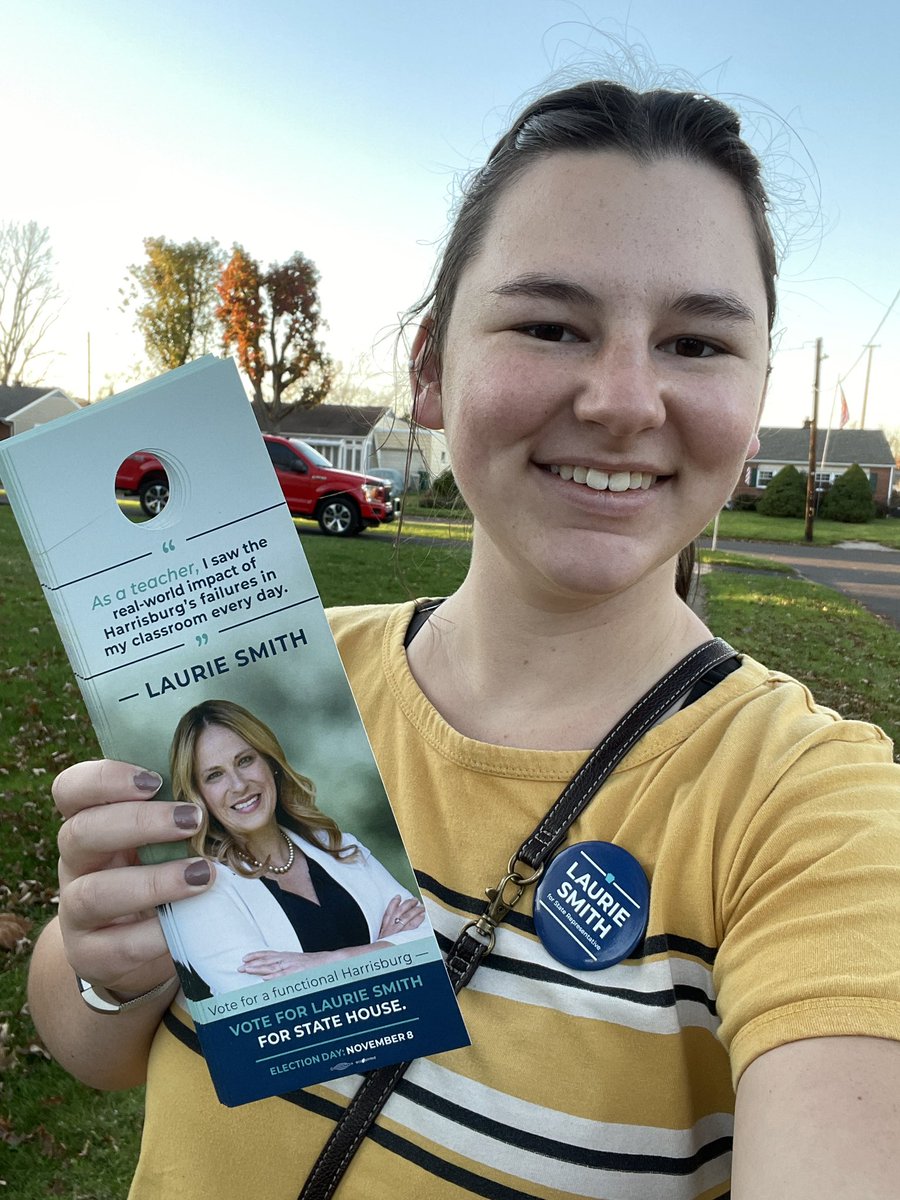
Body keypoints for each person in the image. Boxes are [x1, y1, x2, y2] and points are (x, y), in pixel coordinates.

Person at [28, 79, 900, 1200]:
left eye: (695, 342)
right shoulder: (265, 698)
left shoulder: (812, 812)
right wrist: (109, 969)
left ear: (758, 390)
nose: (627, 400)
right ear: (431, 368)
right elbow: (94, 1048)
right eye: (550, 325)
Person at [162, 699, 427, 996]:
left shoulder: (339, 846)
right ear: (199, 796)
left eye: (245, 760)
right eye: (215, 775)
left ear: (270, 763)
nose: (238, 785)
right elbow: (268, 1000)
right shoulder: (201, 896)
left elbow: (428, 942)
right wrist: (383, 950)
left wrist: (326, 962)